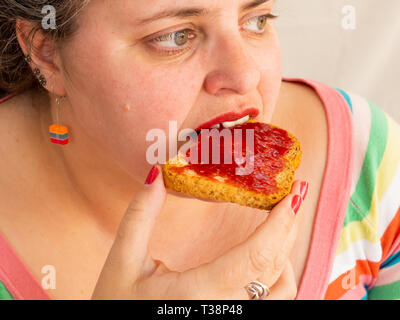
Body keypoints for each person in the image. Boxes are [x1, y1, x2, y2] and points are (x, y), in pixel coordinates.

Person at [0, 0, 399, 300]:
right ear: (46, 54)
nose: (245, 75)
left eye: (256, 20)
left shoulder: (372, 163)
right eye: (175, 37)